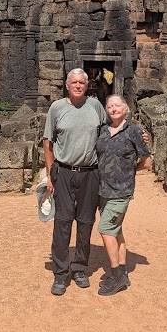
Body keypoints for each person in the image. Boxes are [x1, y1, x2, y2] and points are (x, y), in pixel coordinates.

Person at [43, 68, 106, 296]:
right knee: (62, 222)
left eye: (82, 82)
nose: (78, 85)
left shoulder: (96, 106)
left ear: (87, 85)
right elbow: (48, 143)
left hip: (90, 172)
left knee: (86, 221)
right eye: (74, 82)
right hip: (64, 172)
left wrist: (138, 136)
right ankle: (61, 272)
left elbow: (110, 130)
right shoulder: (57, 108)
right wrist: (50, 174)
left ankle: (79, 268)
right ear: (67, 85)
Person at [95, 94, 151, 296]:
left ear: (125, 108)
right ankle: (123, 268)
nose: (114, 109)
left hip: (120, 190)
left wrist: (128, 171)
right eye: (110, 106)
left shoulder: (134, 132)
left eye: (117, 105)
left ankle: (117, 276)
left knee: (106, 230)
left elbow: (146, 162)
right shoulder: (102, 131)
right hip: (102, 189)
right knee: (116, 231)